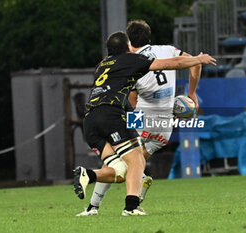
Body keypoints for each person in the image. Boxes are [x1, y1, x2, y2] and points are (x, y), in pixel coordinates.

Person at [73, 31, 216, 216]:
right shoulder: (157, 52)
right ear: (128, 46)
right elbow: (174, 63)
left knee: (121, 165)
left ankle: (92, 202)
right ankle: (132, 204)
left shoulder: (101, 65)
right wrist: (198, 61)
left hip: (95, 118)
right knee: (136, 160)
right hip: (161, 120)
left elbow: (132, 99)